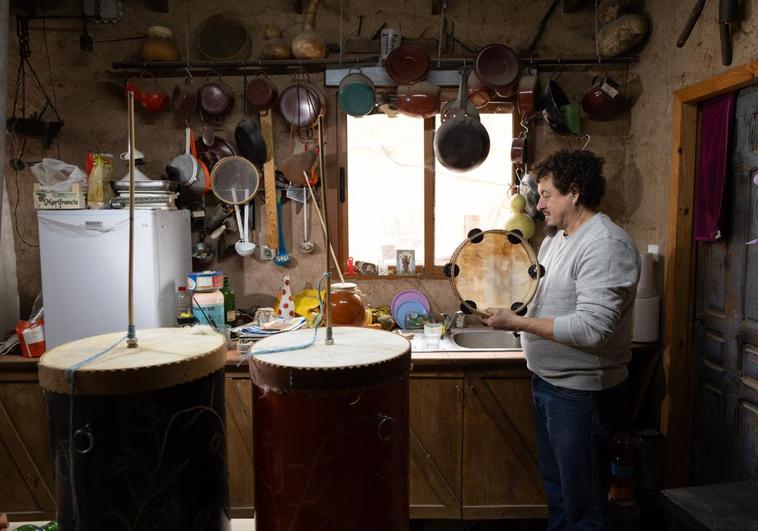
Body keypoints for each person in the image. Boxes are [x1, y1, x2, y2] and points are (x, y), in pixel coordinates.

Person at [483, 149, 640, 530]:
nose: (539, 204)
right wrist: (507, 308)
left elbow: (592, 329)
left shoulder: (605, 244)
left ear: (574, 192)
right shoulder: (557, 239)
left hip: (581, 395)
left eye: (547, 194)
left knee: (584, 505)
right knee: (559, 494)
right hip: (550, 385)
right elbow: (544, 296)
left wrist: (518, 323)